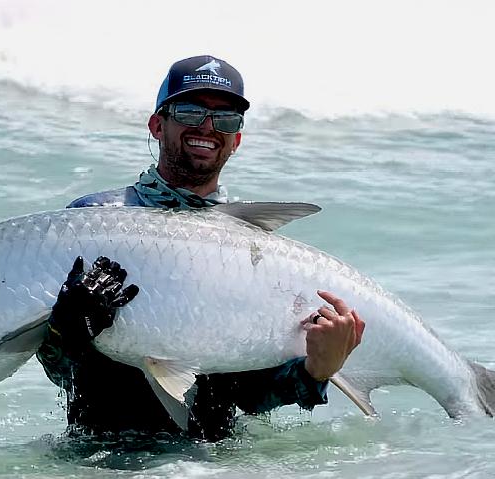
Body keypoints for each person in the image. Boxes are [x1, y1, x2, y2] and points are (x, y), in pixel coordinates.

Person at [37, 55, 365, 441]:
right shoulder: (91, 222)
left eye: (225, 119)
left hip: (212, 461)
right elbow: (57, 369)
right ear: (157, 125)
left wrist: (317, 369)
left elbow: (252, 393)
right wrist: (67, 329)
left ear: (237, 140)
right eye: (191, 112)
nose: (208, 127)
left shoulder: (254, 248)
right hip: (101, 456)